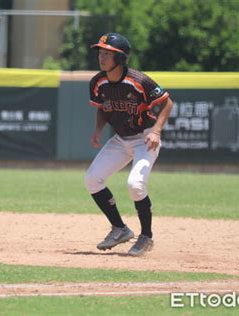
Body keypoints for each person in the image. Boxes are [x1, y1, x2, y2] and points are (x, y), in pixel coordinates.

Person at [84, 33, 174, 256]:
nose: (101, 58)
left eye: (107, 54)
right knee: (92, 180)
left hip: (145, 138)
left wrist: (156, 131)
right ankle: (119, 228)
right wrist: (98, 129)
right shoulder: (98, 82)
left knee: (135, 185)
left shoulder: (139, 80)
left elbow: (167, 103)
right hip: (120, 139)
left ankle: (146, 237)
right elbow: (102, 107)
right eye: (100, 53)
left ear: (120, 58)